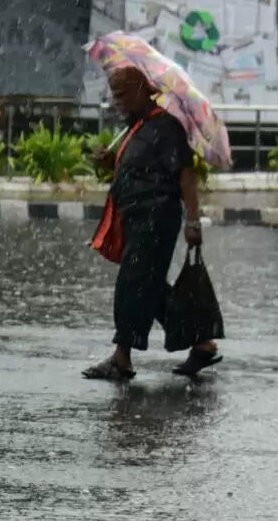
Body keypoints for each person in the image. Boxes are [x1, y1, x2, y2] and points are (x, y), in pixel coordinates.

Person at [83, 66, 222, 381]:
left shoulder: (166, 127)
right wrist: (111, 161)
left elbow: (186, 175)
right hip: (136, 218)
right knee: (150, 287)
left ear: (142, 91)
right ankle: (202, 342)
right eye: (113, 95)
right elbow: (137, 168)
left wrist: (193, 221)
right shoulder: (138, 127)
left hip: (156, 218)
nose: (116, 101)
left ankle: (122, 357)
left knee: (132, 283)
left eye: (121, 94)